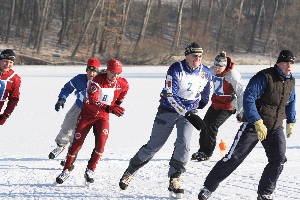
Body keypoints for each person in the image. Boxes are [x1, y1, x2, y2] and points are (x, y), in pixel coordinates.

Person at [198, 50, 296, 200]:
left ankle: (264, 193)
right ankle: (208, 187)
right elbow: (249, 98)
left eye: (291, 63)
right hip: (253, 125)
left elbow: (290, 101)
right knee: (234, 157)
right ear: (278, 63)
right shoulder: (264, 77)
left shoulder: (291, 81)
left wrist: (291, 120)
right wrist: (256, 120)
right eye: (285, 63)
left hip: (275, 127)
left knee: (279, 159)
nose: (289, 66)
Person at [118, 42, 211, 199]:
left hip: (189, 113)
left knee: (185, 144)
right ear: (187, 55)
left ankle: (175, 177)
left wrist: (200, 105)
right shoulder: (176, 69)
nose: (198, 59)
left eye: (200, 56)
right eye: (194, 56)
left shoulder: (206, 71)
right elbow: (170, 95)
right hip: (168, 110)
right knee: (154, 145)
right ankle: (131, 170)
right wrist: (187, 113)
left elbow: (206, 92)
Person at [56, 58, 129, 184]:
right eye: (112, 72)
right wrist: (109, 107)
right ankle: (66, 169)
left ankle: (90, 169)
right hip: (87, 115)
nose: (115, 76)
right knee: (76, 143)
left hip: (103, 117)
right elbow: (92, 100)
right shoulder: (96, 81)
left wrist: (117, 104)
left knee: (101, 143)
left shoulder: (122, 83)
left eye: (118, 73)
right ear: (107, 70)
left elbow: (124, 90)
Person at [48, 58, 101, 170]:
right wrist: (61, 99)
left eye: (94, 71)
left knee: (78, 135)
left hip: (91, 112)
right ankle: (60, 146)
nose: (92, 73)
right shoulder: (79, 79)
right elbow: (67, 88)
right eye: (90, 70)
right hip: (78, 107)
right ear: (86, 70)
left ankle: (70, 158)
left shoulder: (101, 81)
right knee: (67, 126)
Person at [191, 51, 244, 161]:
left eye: (220, 66)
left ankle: (207, 152)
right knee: (204, 125)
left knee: (212, 126)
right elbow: (200, 74)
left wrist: (241, 112)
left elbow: (241, 93)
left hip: (228, 106)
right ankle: (202, 150)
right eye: (216, 65)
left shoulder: (232, 75)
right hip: (216, 103)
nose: (217, 68)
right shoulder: (212, 71)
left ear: (225, 66)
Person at [0, 49, 21, 126]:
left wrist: (6, 114)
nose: (8, 64)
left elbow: (14, 98)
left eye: (11, 62)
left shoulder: (15, 78)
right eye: (5, 61)